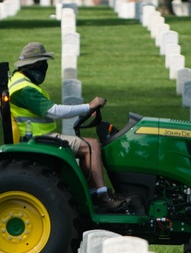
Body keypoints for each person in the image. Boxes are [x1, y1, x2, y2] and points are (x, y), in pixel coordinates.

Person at [8, 42, 125, 211]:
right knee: (91, 146)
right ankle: (101, 195)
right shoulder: (25, 89)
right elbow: (54, 111)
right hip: (37, 139)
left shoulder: (18, 81)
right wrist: (88, 106)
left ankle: (92, 192)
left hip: (34, 136)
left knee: (86, 144)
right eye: (42, 64)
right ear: (32, 65)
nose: (44, 68)